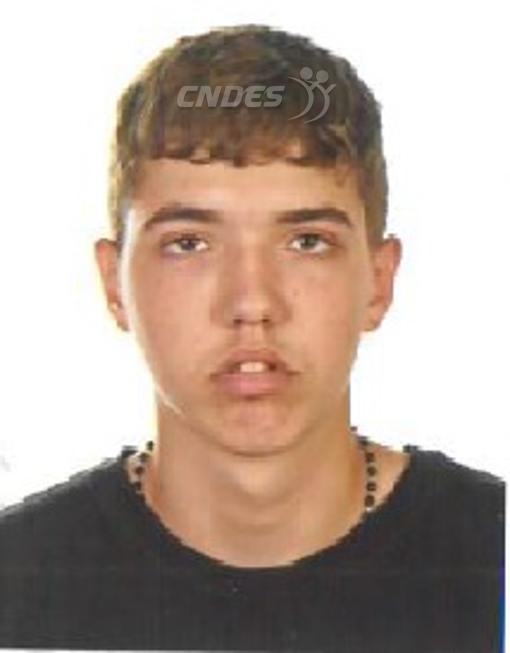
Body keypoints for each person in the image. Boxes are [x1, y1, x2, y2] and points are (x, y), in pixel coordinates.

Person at [0, 24, 504, 652]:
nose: (252, 303)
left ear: (379, 281)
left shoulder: (493, 560)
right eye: (189, 243)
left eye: (306, 242)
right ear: (114, 283)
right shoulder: (17, 583)